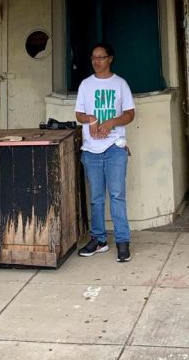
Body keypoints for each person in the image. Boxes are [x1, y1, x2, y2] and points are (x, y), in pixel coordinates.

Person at [74, 41, 135, 262]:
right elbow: (79, 114)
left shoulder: (120, 84)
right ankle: (99, 240)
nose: (96, 61)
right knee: (96, 198)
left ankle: (122, 241)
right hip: (91, 149)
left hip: (114, 147)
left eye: (100, 57)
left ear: (110, 59)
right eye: (93, 58)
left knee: (117, 196)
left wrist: (112, 122)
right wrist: (90, 119)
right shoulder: (85, 85)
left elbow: (130, 114)